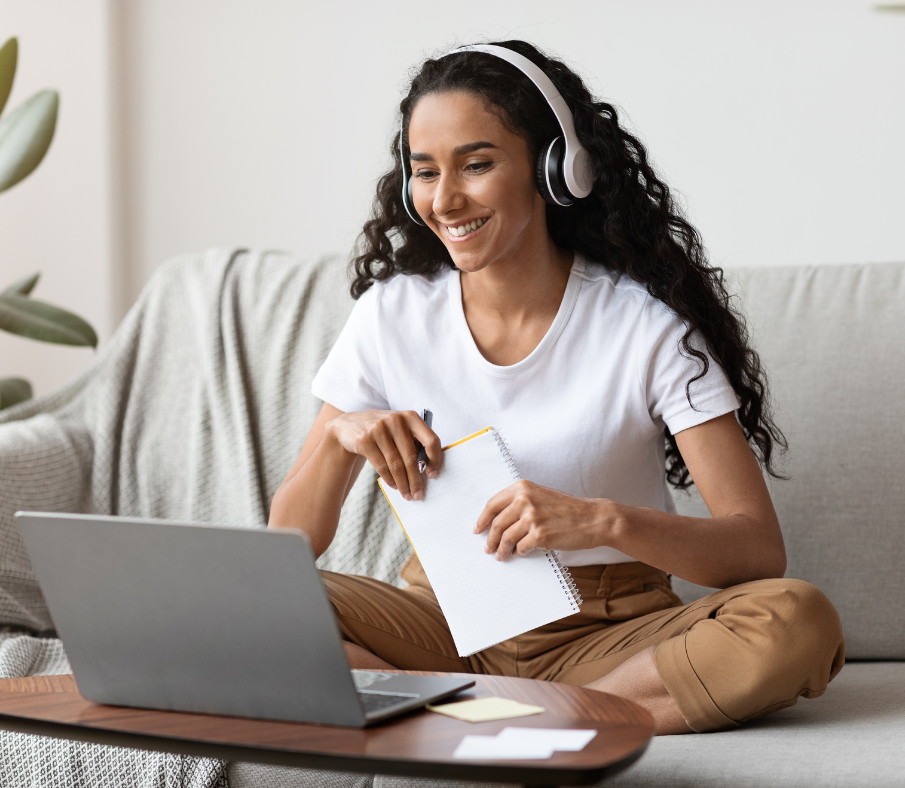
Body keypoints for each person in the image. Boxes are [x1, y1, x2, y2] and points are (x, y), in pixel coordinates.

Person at [269, 40, 844, 735]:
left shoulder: (643, 327)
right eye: (425, 172)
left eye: (476, 165)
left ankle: (472, 717)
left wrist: (603, 521)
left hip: (606, 631)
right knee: (257, 602)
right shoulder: (392, 314)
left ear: (556, 170)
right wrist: (340, 436)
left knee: (795, 619)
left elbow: (757, 551)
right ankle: (511, 716)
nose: (445, 199)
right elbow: (287, 544)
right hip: (442, 616)